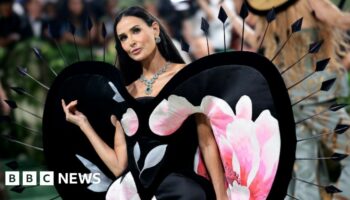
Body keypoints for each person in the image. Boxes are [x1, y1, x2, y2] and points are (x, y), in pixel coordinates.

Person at [61, 6, 228, 200]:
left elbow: (207, 143)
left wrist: (221, 195)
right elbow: (118, 167)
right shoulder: (124, 93)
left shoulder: (187, 76)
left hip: (182, 191)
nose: (131, 42)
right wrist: (83, 124)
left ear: (155, 29)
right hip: (135, 194)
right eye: (123, 38)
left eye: (136, 30)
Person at [246, 0, 350, 199]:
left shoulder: (271, 18)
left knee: (303, 171)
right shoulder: (312, 5)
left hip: (289, 99)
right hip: (315, 100)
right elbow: (337, 20)